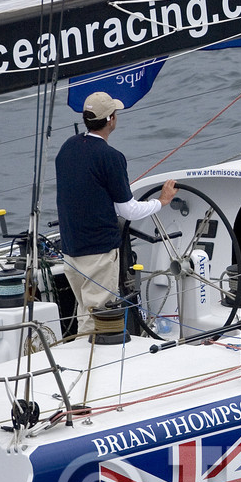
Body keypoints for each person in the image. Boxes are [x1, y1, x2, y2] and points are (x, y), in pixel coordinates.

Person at [55, 92, 177, 336]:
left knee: (85, 311)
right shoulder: (110, 157)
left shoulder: (68, 147)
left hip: (70, 250)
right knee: (98, 319)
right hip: (98, 253)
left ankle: (82, 353)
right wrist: (161, 202)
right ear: (111, 119)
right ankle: (92, 359)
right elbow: (128, 210)